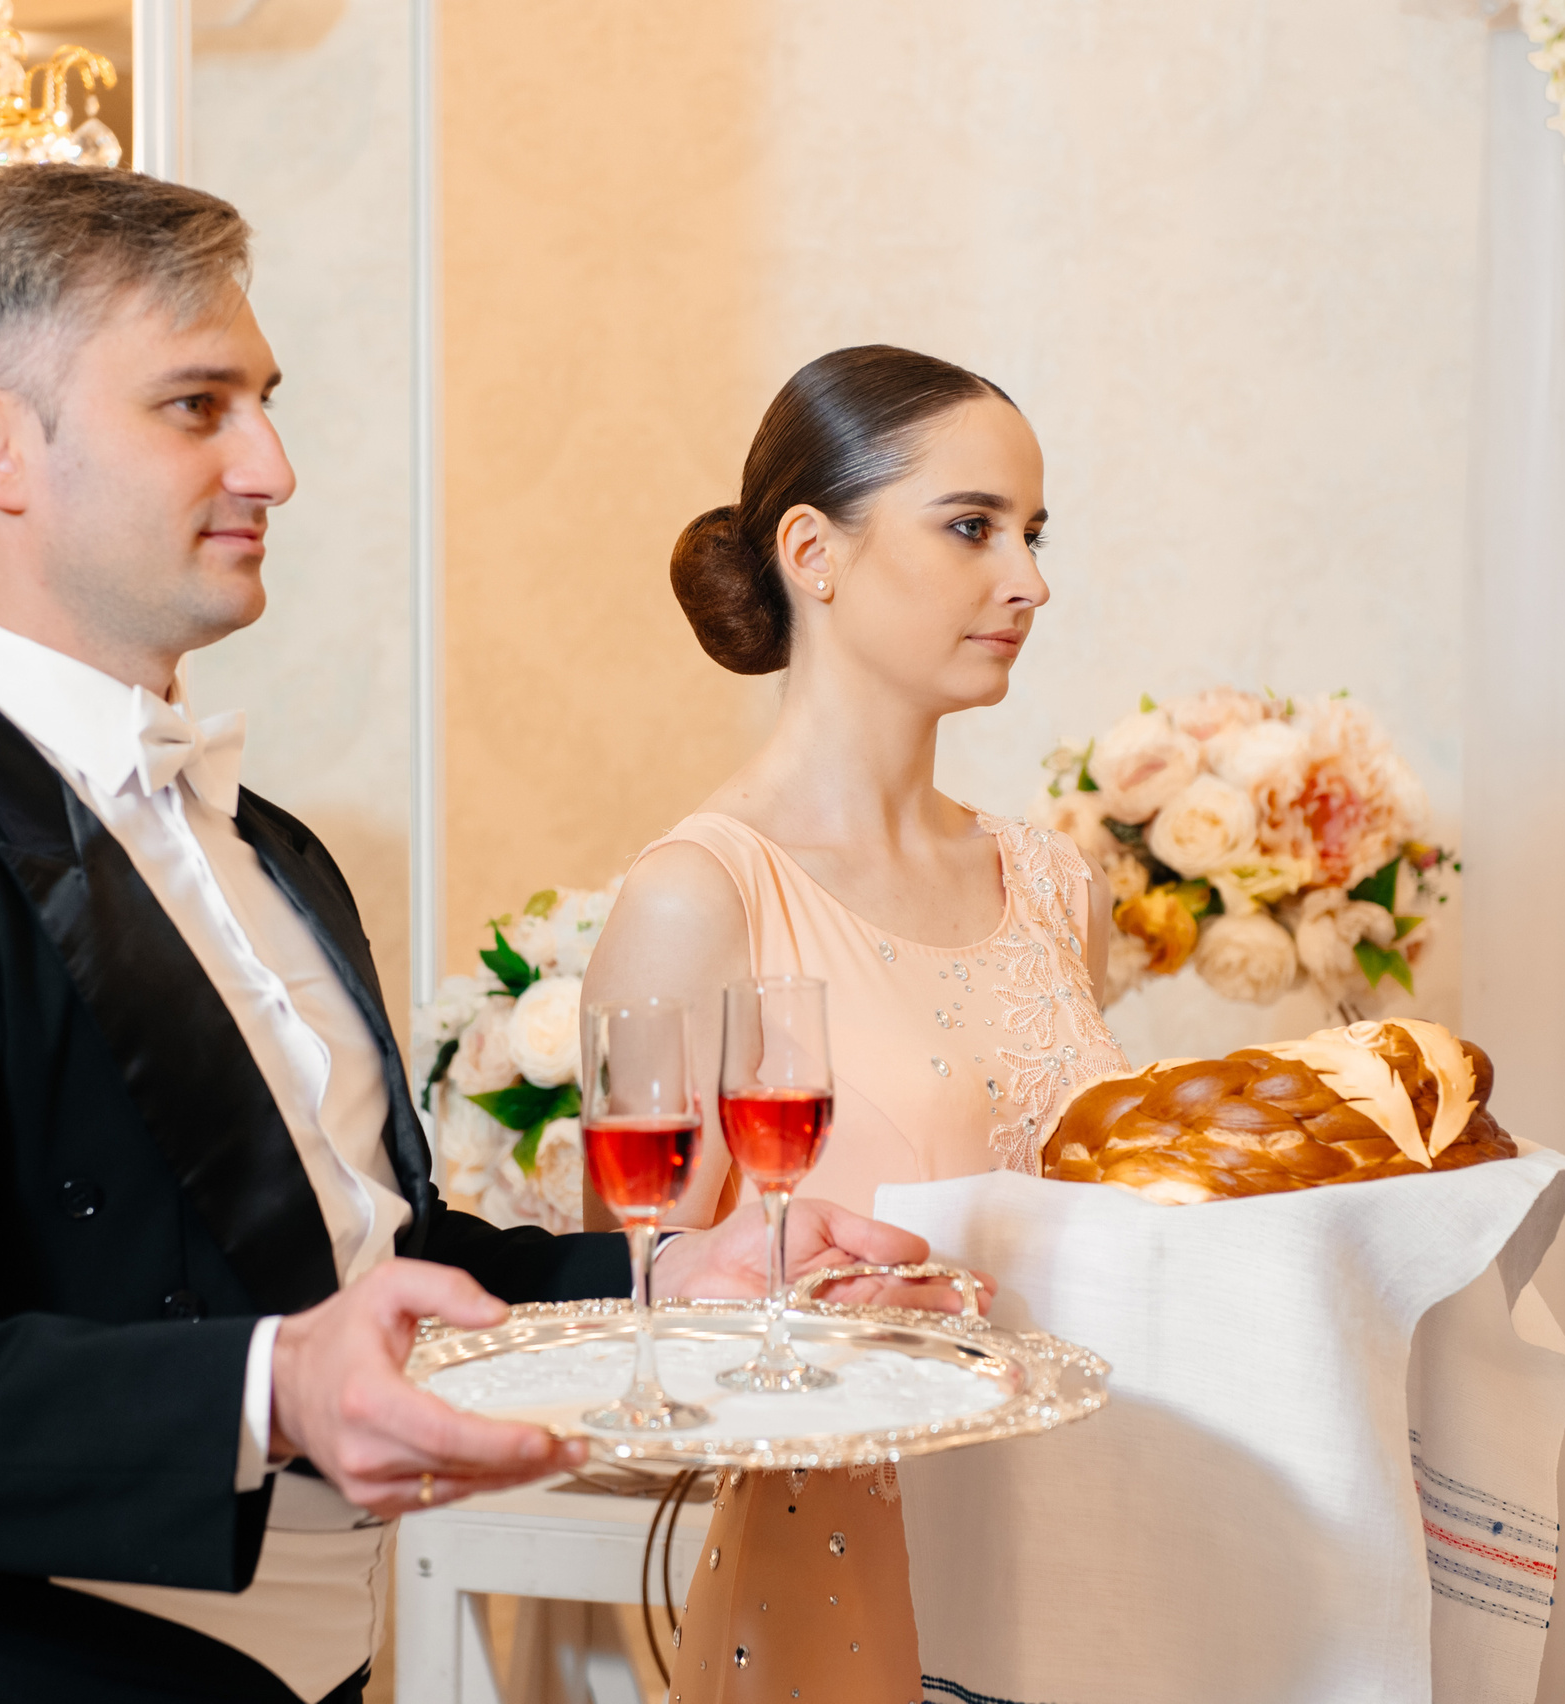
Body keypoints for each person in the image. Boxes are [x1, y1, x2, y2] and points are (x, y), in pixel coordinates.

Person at [0, 168, 946, 1704]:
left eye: (262, 402)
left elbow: (373, 1266)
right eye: (198, 407)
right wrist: (267, 1389)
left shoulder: (272, 850)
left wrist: (664, 1280)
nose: (271, 463)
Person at [582, 345, 1132, 1703]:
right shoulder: (693, 896)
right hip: (837, 1578)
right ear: (814, 553)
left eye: (1033, 534)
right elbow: (630, 1326)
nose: (1030, 579)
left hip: (1095, 1562)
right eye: (972, 528)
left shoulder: (1062, 881)